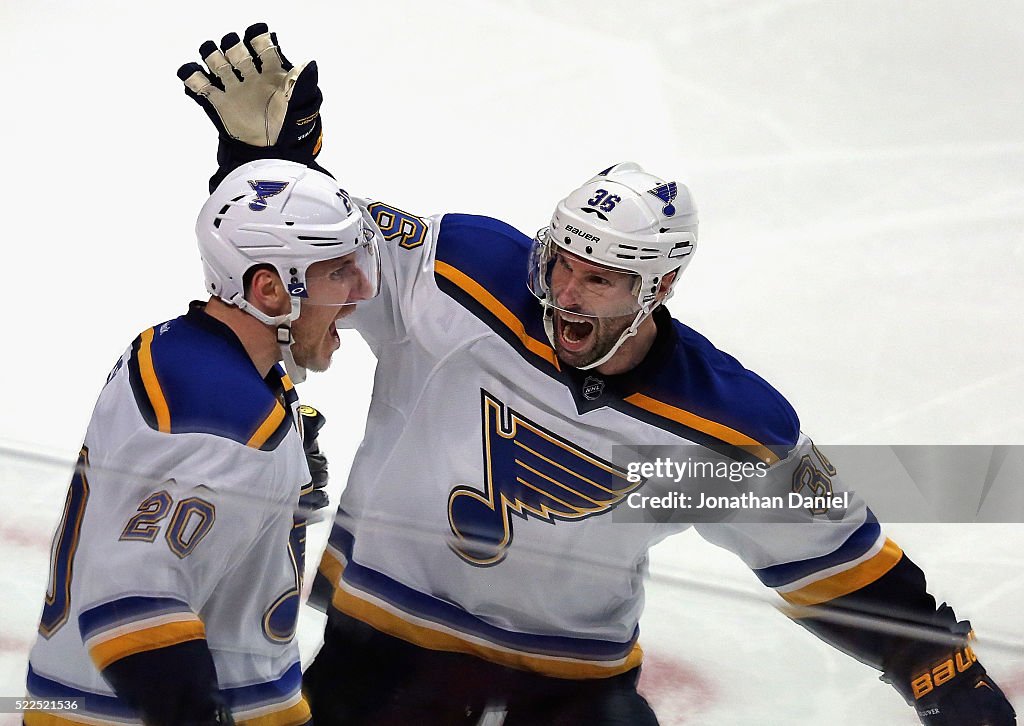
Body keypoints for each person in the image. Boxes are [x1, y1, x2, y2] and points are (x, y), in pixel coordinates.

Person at [177, 25, 1016, 725]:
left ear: (658, 288)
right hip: (387, 652)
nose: (566, 293)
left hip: (569, 690)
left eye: (601, 279)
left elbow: (833, 554)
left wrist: (941, 670)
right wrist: (268, 163)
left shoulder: (716, 424)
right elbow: (308, 251)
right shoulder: (459, 279)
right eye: (563, 263)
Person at [23, 158, 380, 724]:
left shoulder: (177, 348)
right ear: (268, 289)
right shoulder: (227, 423)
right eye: (338, 273)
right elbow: (130, 597)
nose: (360, 293)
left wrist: (270, 506)